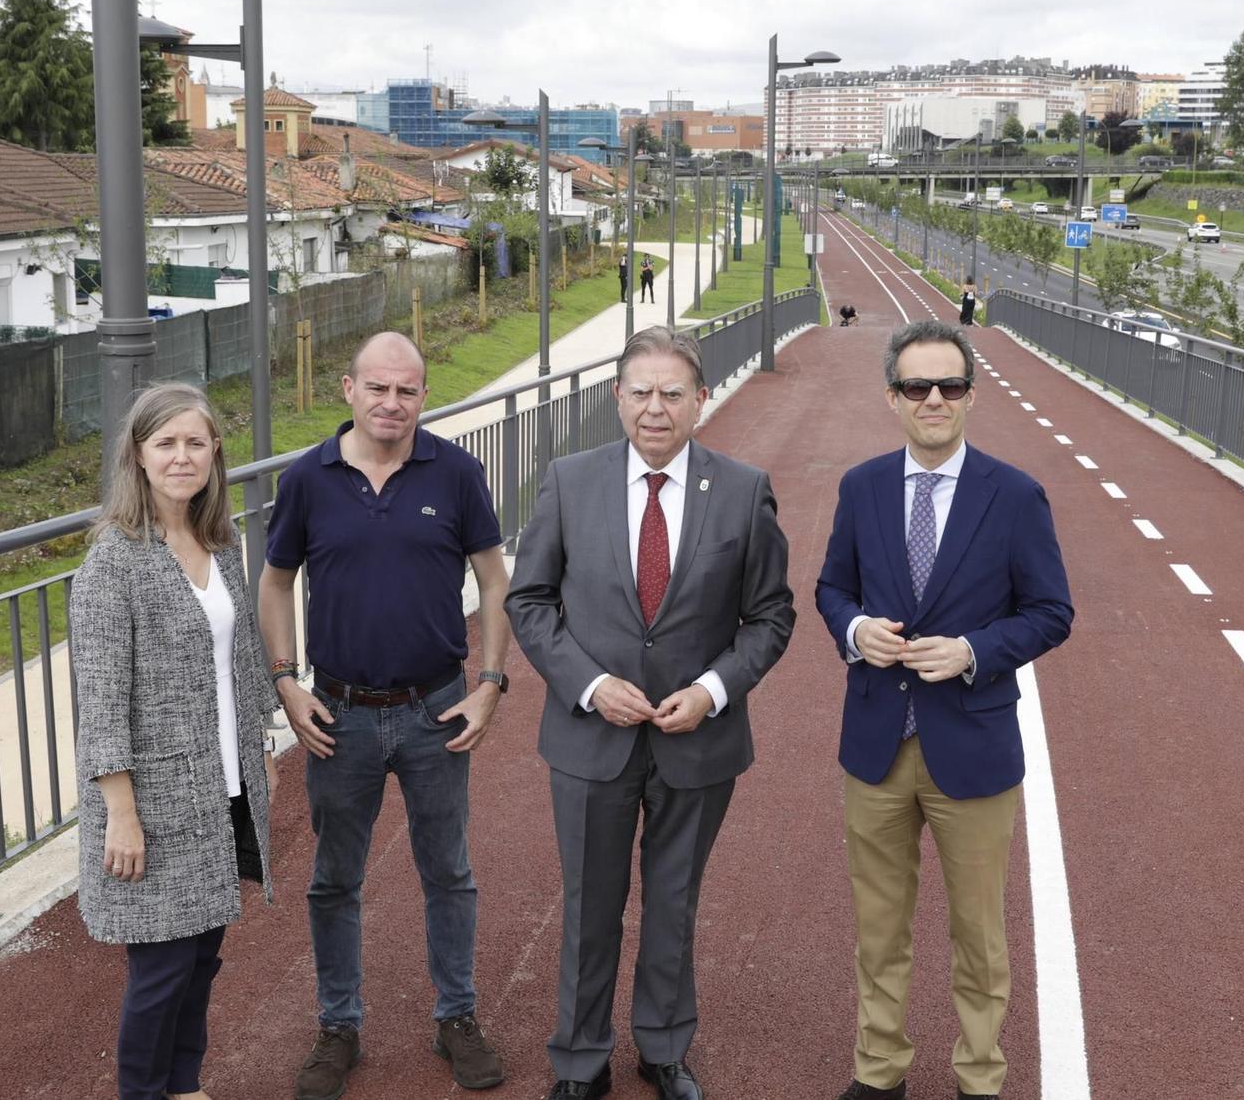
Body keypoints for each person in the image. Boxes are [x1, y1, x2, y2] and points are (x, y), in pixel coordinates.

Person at [507, 326, 796, 1100]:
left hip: (698, 741)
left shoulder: (743, 487)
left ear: (700, 399)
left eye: (673, 392)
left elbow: (771, 616)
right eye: (640, 391)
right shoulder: (569, 480)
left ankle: (663, 1049)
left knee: (674, 900)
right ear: (617, 398)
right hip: (588, 735)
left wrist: (713, 689)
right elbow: (529, 600)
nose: (656, 409)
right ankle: (579, 1059)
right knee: (588, 905)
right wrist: (589, 683)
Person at [815, 320, 1073, 1100]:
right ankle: (880, 1070)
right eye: (918, 386)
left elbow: (1051, 611)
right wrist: (857, 631)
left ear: (970, 395)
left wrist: (974, 650)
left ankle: (980, 1075)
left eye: (950, 385)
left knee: (979, 934)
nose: (935, 399)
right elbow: (831, 589)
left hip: (975, 742)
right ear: (892, 396)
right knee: (880, 926)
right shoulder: (860, 486)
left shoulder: (1017, 494)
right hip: (876, 744)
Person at [259, 332, 514, 1099]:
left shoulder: (458, 472)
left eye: (406, 390)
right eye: (377, 388)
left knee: (450, 871)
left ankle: (457, 1017)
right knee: (334, 879)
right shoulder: (308, 478)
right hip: (338, 713)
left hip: (438, 706)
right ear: (348, 388)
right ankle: (338, 1026)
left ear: (424, 395)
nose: (391, 403)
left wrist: (492, 682)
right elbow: (274, 584)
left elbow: (496, 584)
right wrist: (284, 682)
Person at [72, 382, 280, 1100]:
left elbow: (241, 657)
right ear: (138, 454)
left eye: (196, 442)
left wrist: (257, 753)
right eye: (166, 443)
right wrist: (120, 813)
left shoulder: (219, 542)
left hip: (218, 790)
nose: (182, 456)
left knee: (202, 957)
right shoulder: (113, 561)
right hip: (154, 802)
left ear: (216, 450)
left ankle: (185, 1085)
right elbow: (100, 701)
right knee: (159, 972)